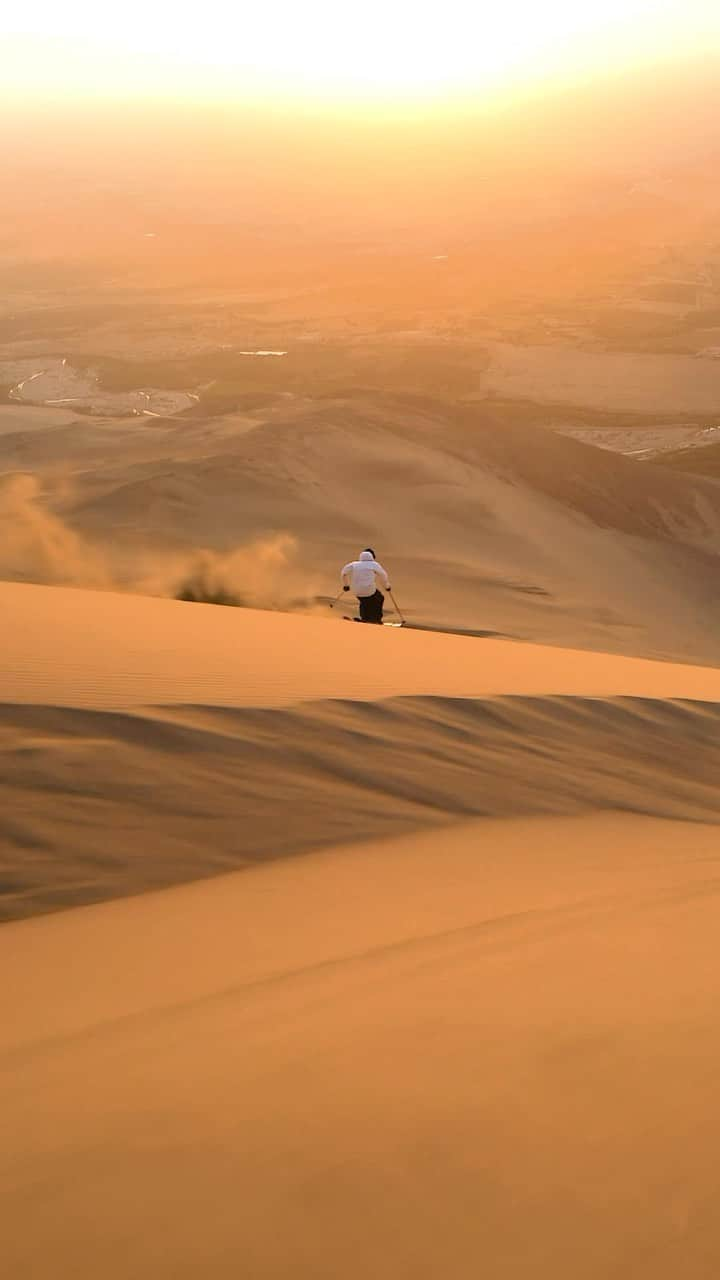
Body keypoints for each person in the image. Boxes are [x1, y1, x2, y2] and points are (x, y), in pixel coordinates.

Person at [341, 548, 391, 624]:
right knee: (379, 598)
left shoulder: (354, 564)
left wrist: (346, 585)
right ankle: (376, 620)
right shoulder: (374, 564)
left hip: (356, 590)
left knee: (364, 601)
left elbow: (343, 573)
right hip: (369, 590)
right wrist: (387, 586)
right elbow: (383, 575)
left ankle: (365, 618)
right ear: (372, 557)